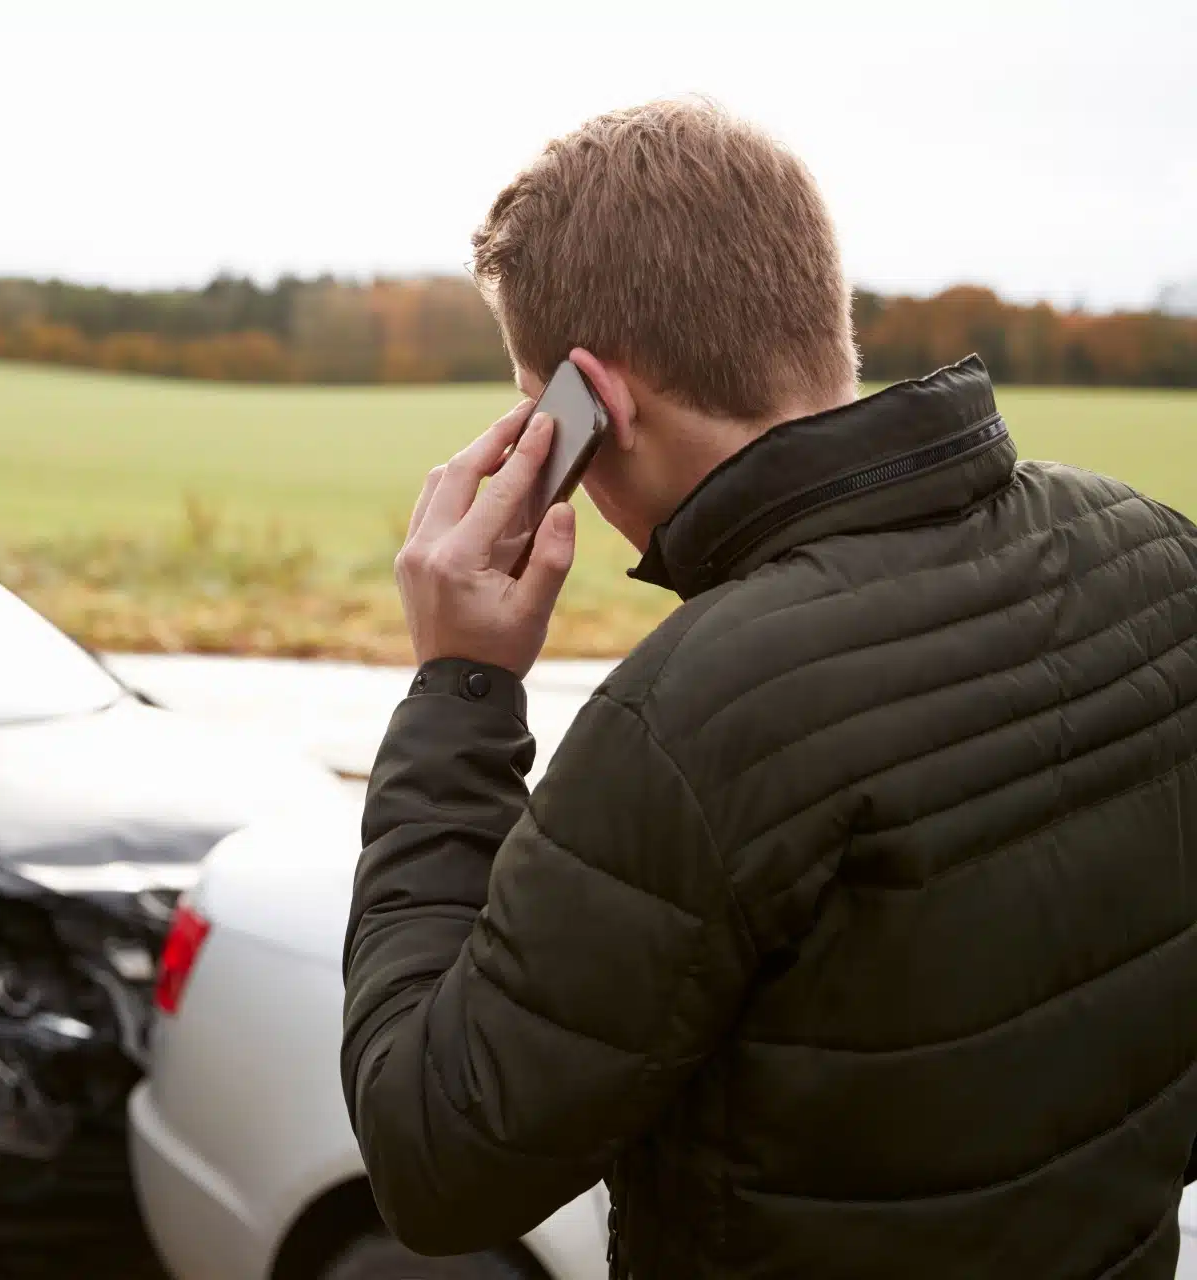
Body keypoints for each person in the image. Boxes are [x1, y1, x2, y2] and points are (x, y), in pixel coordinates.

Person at [341, 98, 1197, 1279]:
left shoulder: (694, 718)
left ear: (599, 405)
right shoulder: (1157, 554)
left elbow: (436, 1154)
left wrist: (457, 687)